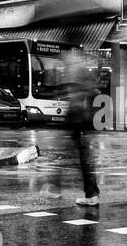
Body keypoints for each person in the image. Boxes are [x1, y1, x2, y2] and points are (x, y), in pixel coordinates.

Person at [40, 48, 100, 206]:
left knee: (69, 154)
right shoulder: (81, 69)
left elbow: (77, 95)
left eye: (67, 56)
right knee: (79, 156)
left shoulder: (75, 70)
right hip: (81, 118)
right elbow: (91, 90)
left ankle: (56, 188)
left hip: (76, 118)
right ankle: (89, 193)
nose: (65, 58)